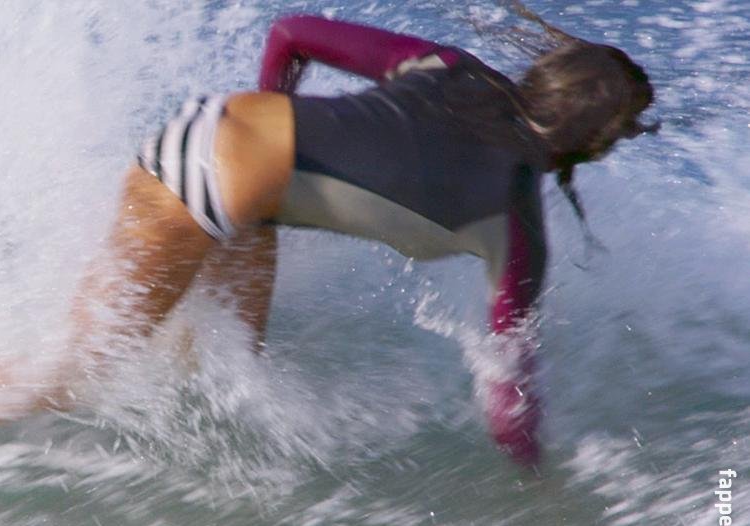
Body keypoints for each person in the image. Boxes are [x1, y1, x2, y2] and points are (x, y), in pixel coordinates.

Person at [60, 10, 657, 468]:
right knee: (73, 374)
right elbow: (508, 405)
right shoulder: (517, 230)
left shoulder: (451, 65)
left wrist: (269, 131)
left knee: (214, 371)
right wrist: (537, 473)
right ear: (596, 142)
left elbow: (291, 33)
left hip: (218, 146)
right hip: (210, 182)